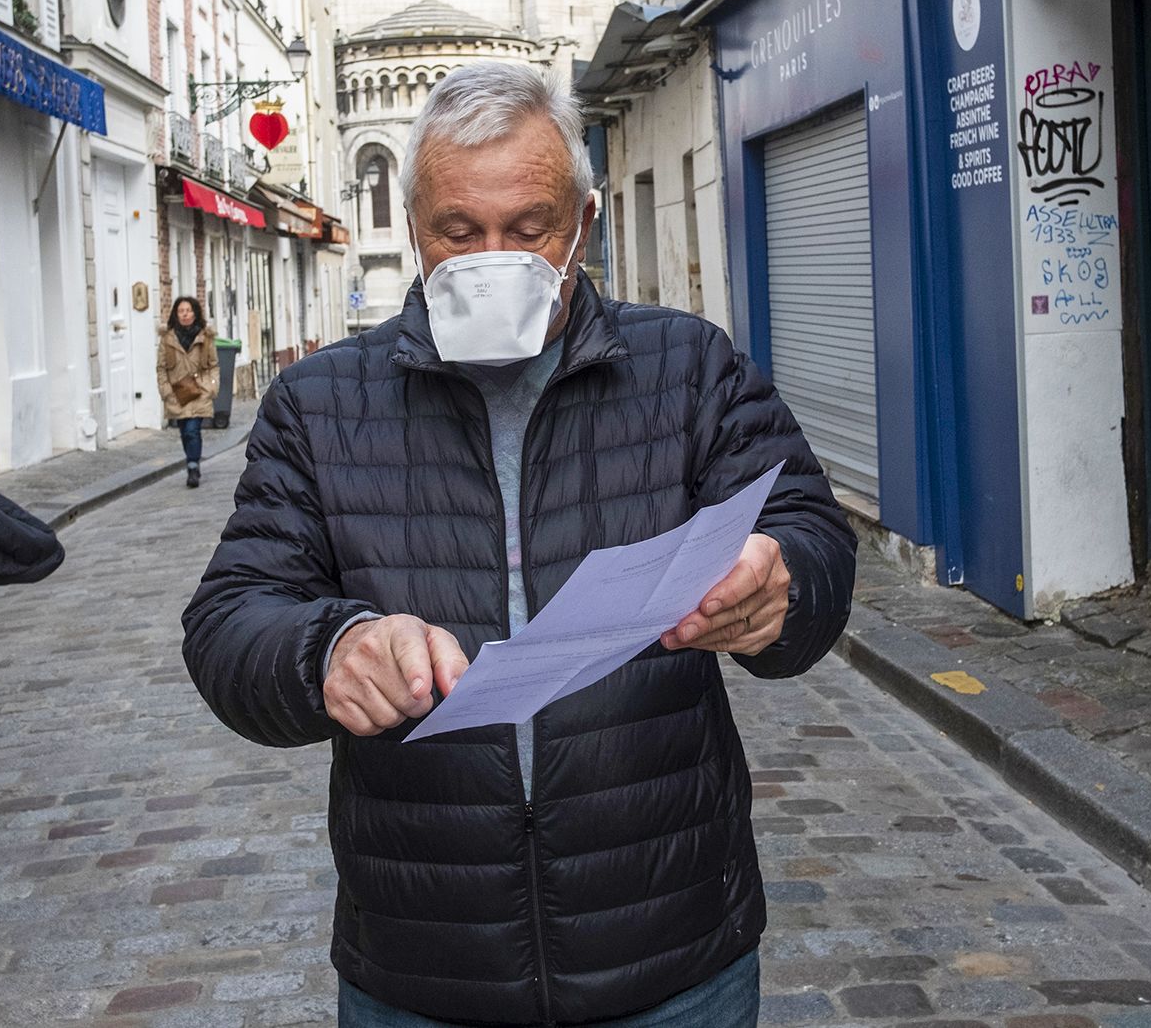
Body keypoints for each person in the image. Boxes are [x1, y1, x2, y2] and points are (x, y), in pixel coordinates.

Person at [182, 63, 856, 1027]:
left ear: (584, 220)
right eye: (459, 232)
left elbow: (811, 531)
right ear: (415, 227)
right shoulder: (320, 404)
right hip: (425, 956)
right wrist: (325, 649)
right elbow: (228, 620)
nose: (493, 256)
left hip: (669, 940)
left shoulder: (688, 365)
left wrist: (783, 585)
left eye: (529, 227)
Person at [157, 296, 218, 488]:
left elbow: (213, 365)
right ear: (176, 314)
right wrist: (165, 390)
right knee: (184, 432)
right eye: (181, 311)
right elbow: (161, 367)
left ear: (195, 313)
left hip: (199, 391)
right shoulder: (167, 339)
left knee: (192, 430)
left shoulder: (205, 337)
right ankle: (192, 460)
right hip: (176, 394)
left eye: (188, 310)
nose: (185, 314)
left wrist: (211, 387)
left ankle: (193, 467)